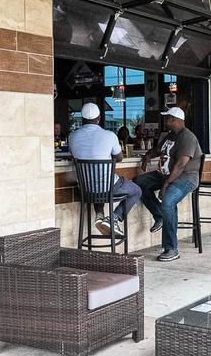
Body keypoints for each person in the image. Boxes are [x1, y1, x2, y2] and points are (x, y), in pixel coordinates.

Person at [135, 107, 202, 262]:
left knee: (168, 201)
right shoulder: (169, 136)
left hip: (186, 178)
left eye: (168, 118)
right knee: (138, 183)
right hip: (165, 175)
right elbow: (157, 150)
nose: (166, 121)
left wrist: (166, 184)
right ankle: (159, 215)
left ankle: (171, 248)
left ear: (176, 120)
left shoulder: (187, 137)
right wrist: (147, 156)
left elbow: (181, 164)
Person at [68, 102, 141, 237]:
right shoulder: (109, 135)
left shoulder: (72, 136)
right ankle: (114, 219)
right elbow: (119, 158)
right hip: (108, 188)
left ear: (82, 119)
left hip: (85, 189)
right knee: (136, 191)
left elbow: (74, 156)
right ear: (99, 118)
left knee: (96, 181)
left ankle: (100, 215)